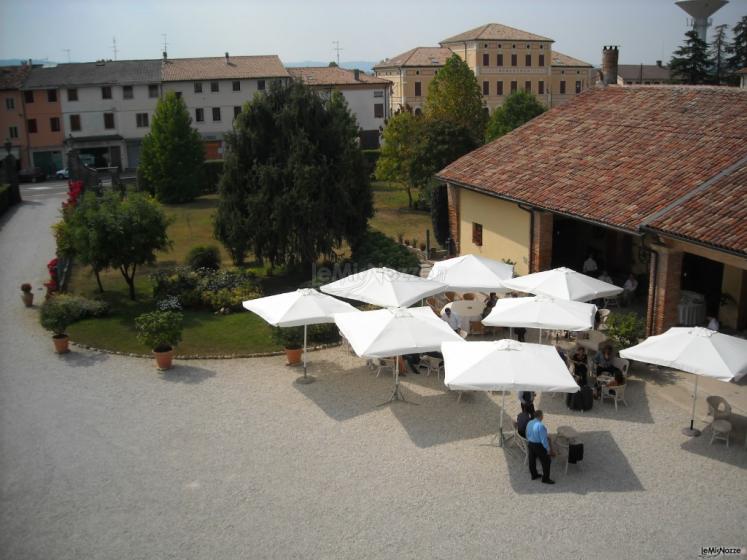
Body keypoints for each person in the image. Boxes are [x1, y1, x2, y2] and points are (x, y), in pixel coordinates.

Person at [525, 410, 555, 484]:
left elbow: (527, 433)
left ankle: (534, 475)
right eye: (542, 416)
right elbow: (544, 440)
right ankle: (545, 478)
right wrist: (548, 449)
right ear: (540, 416)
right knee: (546, 461)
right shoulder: (540, 426)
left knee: (532, 460)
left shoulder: (529, 422)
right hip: (538, 446)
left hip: (530, 443)